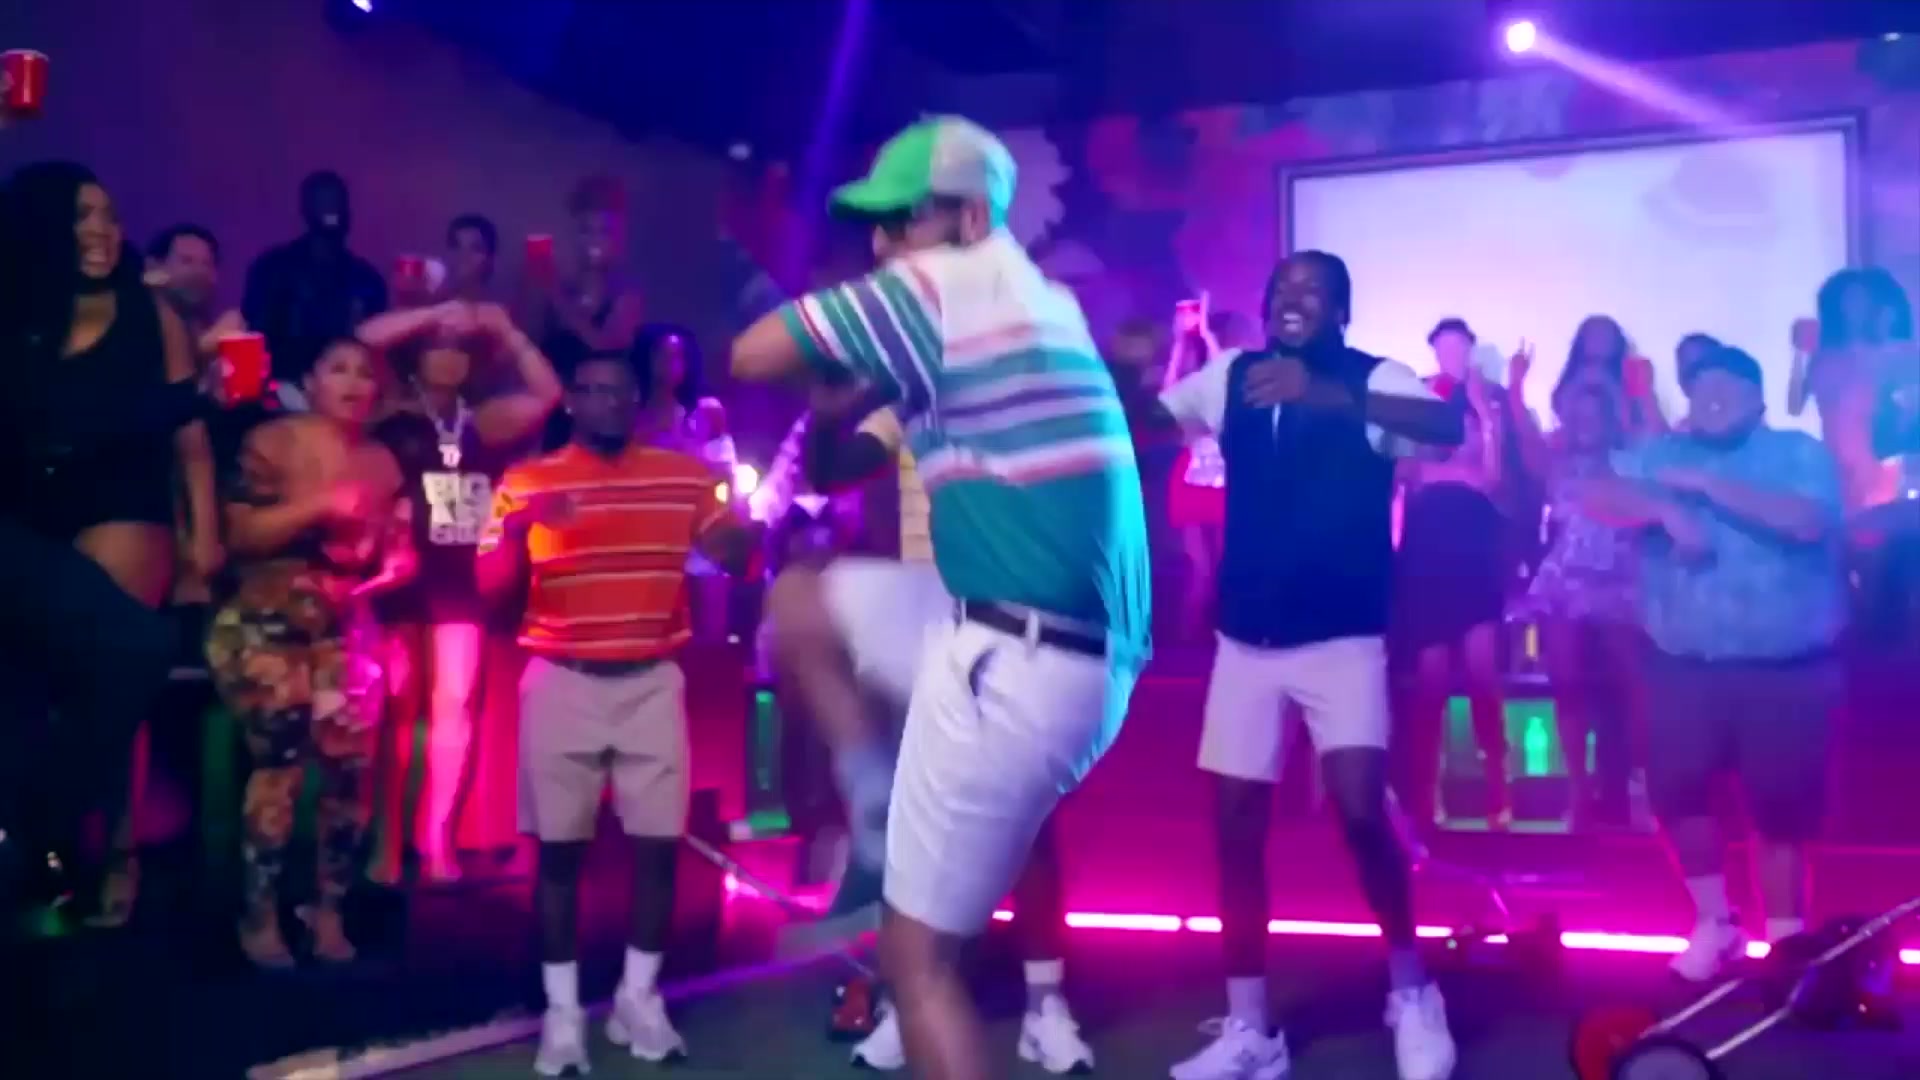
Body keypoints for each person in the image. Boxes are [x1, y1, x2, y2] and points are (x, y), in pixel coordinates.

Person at [732, 116, 1150, 1080]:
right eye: (874, 225)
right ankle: (877, 803)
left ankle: (899, 849)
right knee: (800, 603)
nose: (882, 244)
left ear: (967, 218)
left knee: (914, 965)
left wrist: (837, 347)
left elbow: (752, 353)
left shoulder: (942, 287)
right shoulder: (1038, 304)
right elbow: (839, 458)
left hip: (1021, 661)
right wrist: (841, 399)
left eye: (903, 219)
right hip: (1029, 639)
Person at [1158, 252, 1462, 1080]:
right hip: (1246, 643)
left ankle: (1413, 990)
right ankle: (1251, 1027)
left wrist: (1325, 395)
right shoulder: (1231, 376)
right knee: (1235, 827)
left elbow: (1447, 430)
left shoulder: (1374, 376)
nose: (1293, 299)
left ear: (1342, 311)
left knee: (1360, 811)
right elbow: (1152, 419)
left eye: (1313, 291)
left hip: (1342, 641)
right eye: (1282, 288)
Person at [765, 387, 1096, 1073]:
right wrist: (830, 408)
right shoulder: (909, 402)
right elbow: (833, 472)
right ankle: (907, 986)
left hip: (1017, 618)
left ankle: (1044, 1006)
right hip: (925, 612)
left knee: (1028, 825)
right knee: (797, 598)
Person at [477, 340, 757, 1076]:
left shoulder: (681, 476)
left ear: (638, 402)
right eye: (594, 391)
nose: (609, 403)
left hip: (651, 681)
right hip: (560, 678)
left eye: (622, 392)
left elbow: (737, 558)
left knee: (659, 847)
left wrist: (741, 504)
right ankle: (563, 1014)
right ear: (571, 401)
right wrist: (515, 530)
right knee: (559, 856)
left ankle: (639, 997)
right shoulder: (526, 481)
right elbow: (490, 592)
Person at [0, 162, 224, 921]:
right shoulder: (22, 311)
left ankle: (118, 854)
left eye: (109, 214)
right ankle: (48, 844)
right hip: (31, 510)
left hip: (123, 500)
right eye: (81, 215)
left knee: (111, 666)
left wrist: (202, 541)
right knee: (33, 687)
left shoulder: (151, 314)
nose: (100, 230)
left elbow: (190, 439)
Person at [1583, 344, 1846, 982]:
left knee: (1781, 808)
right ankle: (1715, 922)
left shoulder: (1796, 453)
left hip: (1784, 668)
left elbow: (1807, 521)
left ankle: (1786, 945)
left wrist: (1705, 487)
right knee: (1678, 794)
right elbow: (1596, 491)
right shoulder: (1660, 454)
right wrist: (1665, 507)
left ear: (1758, 400)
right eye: (1701, 391)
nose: (1712, 401)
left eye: (1727, 390)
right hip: (1683, 665)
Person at [208, 337, 416, 967]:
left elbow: (395, 549)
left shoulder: (382, 461)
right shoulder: (271, 441)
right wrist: (319, 505)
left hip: (345, 628)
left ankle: (327, 910)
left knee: (349, 775)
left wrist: (396, 560)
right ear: (312, 379)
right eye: (338, 369)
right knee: (280, 771)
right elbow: (239, 534)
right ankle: (259, 913)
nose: (353, 383)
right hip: (266, 621)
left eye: (364, 372)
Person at [360, 300, 562, 883]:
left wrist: (506, 328)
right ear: (417, 354)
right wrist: (437, 312)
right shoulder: (391, 412)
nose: (448, 356)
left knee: (456, 705)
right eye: (436, 345)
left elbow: (548, 394)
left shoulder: (485, 421)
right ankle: (385, 844)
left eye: (458, 347)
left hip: (461, 579)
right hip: (398, 574)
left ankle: (437, 840)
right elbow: (364, 339)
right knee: (396, 710)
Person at [1508, 344, 1645, 829]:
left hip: (1620, 578)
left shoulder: (1631, 459)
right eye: (1578, 414)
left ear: (1609, 418)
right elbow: (1525, 435)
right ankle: (1579, 791)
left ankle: (1639, 782)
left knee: (1636, 681)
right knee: (1564, 682)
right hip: (1565, 579)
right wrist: (1515, 387)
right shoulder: (1556, 460)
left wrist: (1627, 391)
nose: (1586, 422)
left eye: (1595, 414)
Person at [1393, 317, 1512, 831]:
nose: (1452, 355)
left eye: (1459, 347)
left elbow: (1493, 478)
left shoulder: (1487, 402)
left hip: (1473, 548)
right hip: (1426, 550)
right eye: (1444, 347)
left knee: (1483, 671)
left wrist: (1484, 416)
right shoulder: (1419, 397)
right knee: (1431, 679)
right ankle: (1427, 788)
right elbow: (1404, 470)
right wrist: (1450, 468)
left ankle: (1499, 783)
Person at [530, 175, 646, 450]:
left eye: (603, 231)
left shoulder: (627, 295)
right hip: (553, 418)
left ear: (617, 238)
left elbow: (604, 347)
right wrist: (533, 283)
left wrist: (554, 292)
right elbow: (529, 347)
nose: (594, 240)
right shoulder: (561, 288)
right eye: (586, 231)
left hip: (602, 421)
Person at [242, 171, 388, 381]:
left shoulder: (366, 278)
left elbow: (376, 344)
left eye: (337, 202)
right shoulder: (273, 268)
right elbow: (255, 333)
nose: (331, 210)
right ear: (305, 210)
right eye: (322, 201)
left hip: (348, 386)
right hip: (283, 385)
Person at [444, 213, 499, 303]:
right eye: (456, 246)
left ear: (490, 260)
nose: (463, 255)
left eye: (475, 248)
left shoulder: (499, 311)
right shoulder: (428, 310)